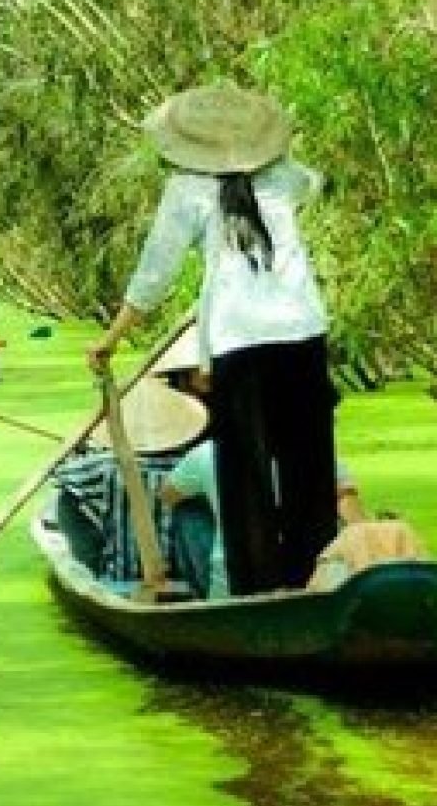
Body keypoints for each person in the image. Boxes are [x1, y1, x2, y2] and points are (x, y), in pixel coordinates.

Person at [88, 83, 337, 595]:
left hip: (239, 341)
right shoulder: (284, 178)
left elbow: (155, 273)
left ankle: (258, 593)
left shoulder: (186, 190)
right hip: (303, 331)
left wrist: (111, 339)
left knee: (244, 476)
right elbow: (317, 182)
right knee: (309, 468)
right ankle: (314, 582)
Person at [161, 440, 366, 599]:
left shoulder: (207, 452)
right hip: (316, 582)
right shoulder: (318, 451)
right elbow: (354, 520)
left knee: (187, 509)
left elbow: (167, 494)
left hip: (230, 582)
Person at [54, 378, 209, 584]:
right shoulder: (195, 464)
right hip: (189, 579)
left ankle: (96, 569)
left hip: (119, 577)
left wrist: (91, 557)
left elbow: (65, 481)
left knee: (71, 496)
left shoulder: (102, 467)